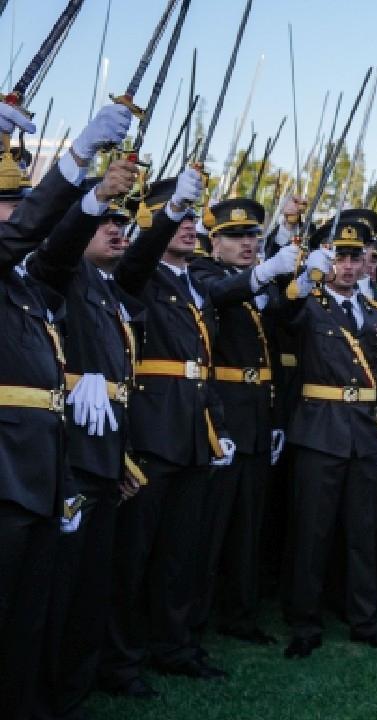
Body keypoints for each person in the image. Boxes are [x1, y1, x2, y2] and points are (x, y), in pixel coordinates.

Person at [0, 102, 132, 717]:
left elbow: (49, 251)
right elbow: (26, 233)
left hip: (39, 476)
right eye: (9, 205)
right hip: (5, 473)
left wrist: (94, 197)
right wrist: (76, 155)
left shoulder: (24, 287)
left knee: (28, 621)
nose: (19, 216)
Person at [99, 164, 234, 695]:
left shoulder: (195, 282)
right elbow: (134, 262)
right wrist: (167, 209)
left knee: (182, 554)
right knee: (135, 558)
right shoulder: (136, 273)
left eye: (190, 219)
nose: (187, 227)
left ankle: (174, 645)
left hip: (192, 431)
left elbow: (204, 363)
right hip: (152, 433)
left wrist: (216, 427)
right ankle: (122, 660)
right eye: (173, 217)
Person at [28, 160, 143, 719]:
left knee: (92, 582)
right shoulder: (62, 273)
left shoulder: (106, 287)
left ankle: (76, 684)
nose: (117, 230)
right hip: (67, 452)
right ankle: (52, 689)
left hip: (103, 449)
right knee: (60, 586)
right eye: (105, 223)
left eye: (122, 223)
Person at [280, 219, 377, 658]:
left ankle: (365, 620)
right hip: (319, 429)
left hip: (364, 433)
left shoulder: (375, 315)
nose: (348, 266)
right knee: (312, 533)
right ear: (325, 260)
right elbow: (279, 316)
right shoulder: (308, 305)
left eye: (355, 257)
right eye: (339, 257)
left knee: (362, 533)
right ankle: (304, 623)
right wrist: (300, 277)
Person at [188, 198, 298, 647]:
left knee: (248, 525)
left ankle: (241, 612)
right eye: (236, 237)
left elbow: (279, 328)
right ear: (213, 242)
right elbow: (223, 293)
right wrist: (268, 271)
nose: (247, 243)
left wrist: (296, 280)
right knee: (209, 527)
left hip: (256, 412)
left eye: (252, 236)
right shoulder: (203, 273)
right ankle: (193, 618)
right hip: (222, 413)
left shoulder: (257, 283)